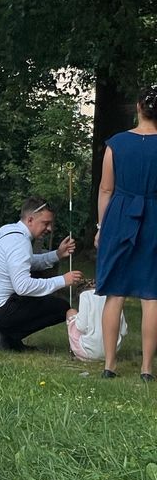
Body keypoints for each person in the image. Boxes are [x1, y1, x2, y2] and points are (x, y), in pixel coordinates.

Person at [95, 86, 157, 381]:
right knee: (152, 295)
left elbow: (106, 189)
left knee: (115, 292)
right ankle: (146, 368)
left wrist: (100, 228)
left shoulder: (116, 143)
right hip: (155, 218)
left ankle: (109, 365)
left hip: (120, 217)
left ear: (138, 106)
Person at [0, 197, 82, 351]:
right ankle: (6, 335)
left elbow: (28, 262)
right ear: (30, 219)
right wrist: (63, 280)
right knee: (61, 308)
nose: (49, 229)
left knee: (38, 288)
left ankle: (3, 333)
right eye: (46, 223)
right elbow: (23, 287)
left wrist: (58, 254)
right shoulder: (19, 242)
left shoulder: (7, 230)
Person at [66, 285, 127, 361]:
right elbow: (123, 330)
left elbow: (81, 327)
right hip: (112, 351)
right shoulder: (115, 297)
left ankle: (74, 351)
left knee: (71, 312)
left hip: (87, 351)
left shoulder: (85, 295)